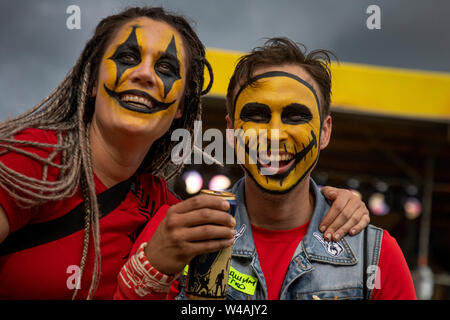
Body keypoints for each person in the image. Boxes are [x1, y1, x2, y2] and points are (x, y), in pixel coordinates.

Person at [0, 8, 368, 300]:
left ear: (180, 107)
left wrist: (336, 205)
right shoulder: (36, 160)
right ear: (92, 79)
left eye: (166, 68)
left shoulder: (166, 212)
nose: (145, 75)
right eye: (128, 57)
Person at [117, 38, 416, 300]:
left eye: (296, 116)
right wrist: (151, 271)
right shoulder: (177, 232)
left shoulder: (375, 255)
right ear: (232, 133)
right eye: (257, 115)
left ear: (324, 132)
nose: (273, 134)